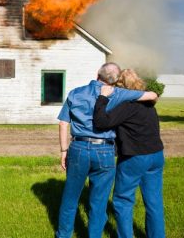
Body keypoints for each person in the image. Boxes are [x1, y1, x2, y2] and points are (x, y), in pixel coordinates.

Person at [55, 63, 158, 238]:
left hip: (78, 148)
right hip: (104, 150)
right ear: (116, 80)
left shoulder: (75, 93)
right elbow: (152, 95)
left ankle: (63, 235)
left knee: (70, 198)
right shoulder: (118, 94)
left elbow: (63, 123)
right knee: (99, 201)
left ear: (97, 74)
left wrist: (64, 151)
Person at [93, 69, 165, 238]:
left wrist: (102, 99)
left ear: (120, 86)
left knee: (123, 201)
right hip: (156, 155)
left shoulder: (127, 106)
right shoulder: (149, 105)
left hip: (134, 157)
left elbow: (101, 122)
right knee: (154, 202)